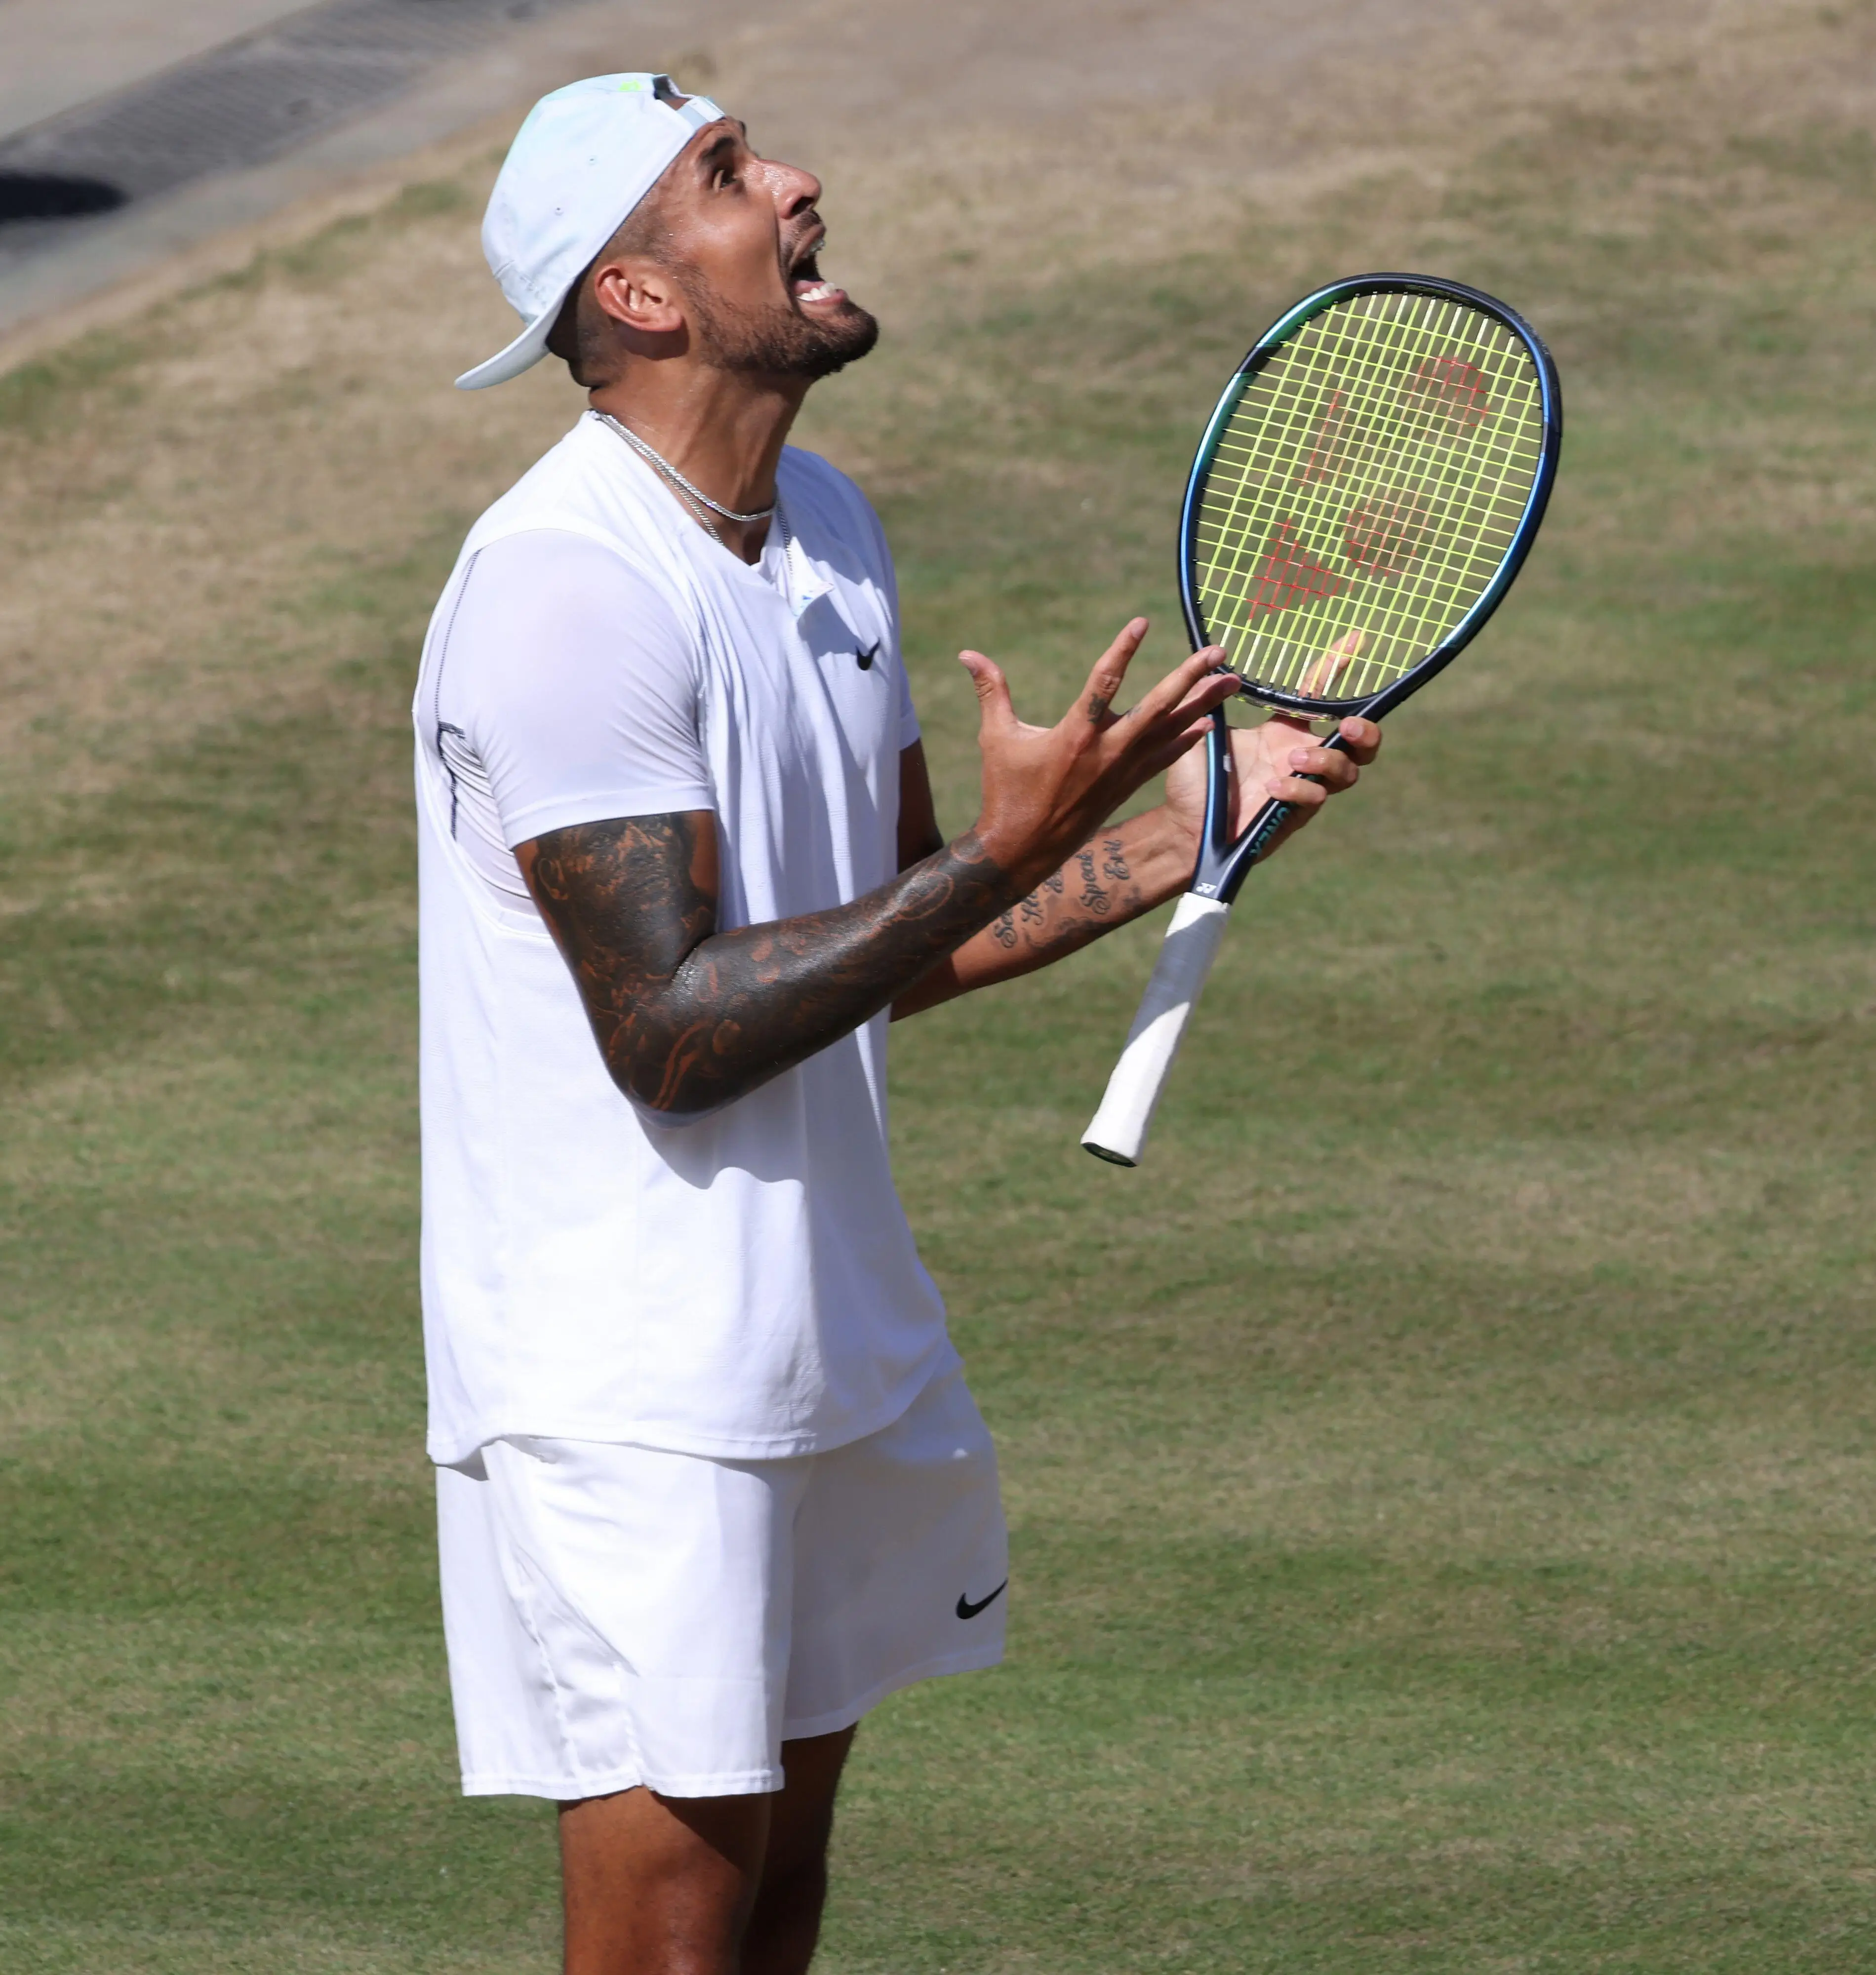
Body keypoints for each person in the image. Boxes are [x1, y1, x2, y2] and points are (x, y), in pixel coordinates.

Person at [414, 72, 1381, 1975]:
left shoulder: (826, 526)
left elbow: (898, 932)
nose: (794, 179)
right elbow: (671, 1031)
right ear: (642, 298)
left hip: (819, 1336)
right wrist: (1017, 845)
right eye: (723, 174)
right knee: (672, 1948)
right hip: (630, 1387)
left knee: (777, 1914)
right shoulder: (563, 591)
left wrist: (1191, 813)